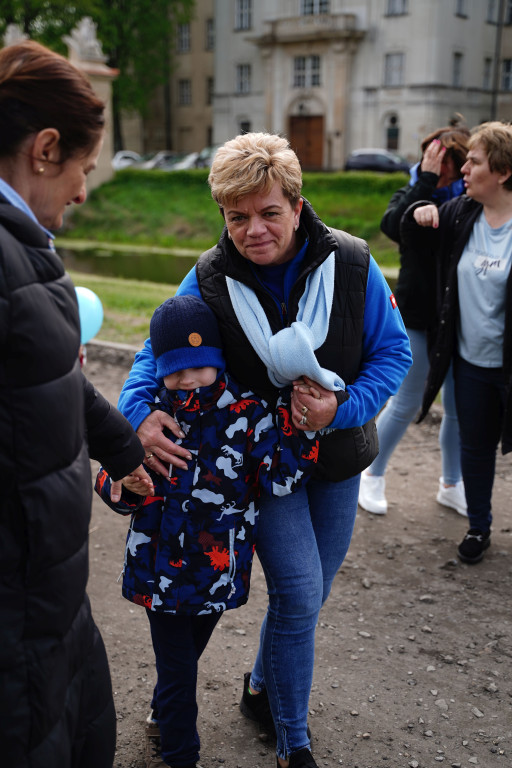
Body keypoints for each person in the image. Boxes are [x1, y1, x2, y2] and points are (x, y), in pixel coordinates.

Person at [117, 132, 412, 768]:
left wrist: (341, 407)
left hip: (335, 461)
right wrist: (138, 417)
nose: (253, 229)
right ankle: (293, 741)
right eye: (237, 216)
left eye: (268, 212)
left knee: (312, 596)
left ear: (298, 207)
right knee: (300, 595)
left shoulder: (355, 265)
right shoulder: (208, 277)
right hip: (260, 473)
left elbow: (395, 355)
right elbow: (150, 358)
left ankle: (260, 685)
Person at [0, 40, 152, 768]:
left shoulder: (23, 246)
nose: (86, 191)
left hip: (45, 586)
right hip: (17, 600)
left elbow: (49, 375)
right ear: (45, 148)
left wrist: (122, 447)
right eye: (85, 170)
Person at [96, 294, 320, 768]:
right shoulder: (149, 418)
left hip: (218, 572)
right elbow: (111, 478)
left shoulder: (247, 412)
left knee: (187, 656)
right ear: (159, 368)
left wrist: (304, 428)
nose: (187, 379)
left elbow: (280, 476)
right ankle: (181, 754)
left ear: (217, 358)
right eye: (174, 370)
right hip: (158, 572)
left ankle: (162, 708)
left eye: (198, 367)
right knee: (178, 669)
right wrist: (126, 484)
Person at [401, 121, 512, 564]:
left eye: (475, 161)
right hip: (468, 362)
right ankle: (479, 528)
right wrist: (420, 210)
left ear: (503, 171)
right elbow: (402, 230)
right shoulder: (462, 212)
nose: (464, 167)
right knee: (475, 446)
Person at [359, 125, 470, 516]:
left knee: (457, 406)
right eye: (431, 160)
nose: (437, 168)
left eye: (445, 164)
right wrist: (424, 181)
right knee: (405, 400)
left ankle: (451, 484)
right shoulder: (412, 193)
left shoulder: (469, 201)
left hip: (458, 318)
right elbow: (391, 225)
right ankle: (371, 474)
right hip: (417, 316)